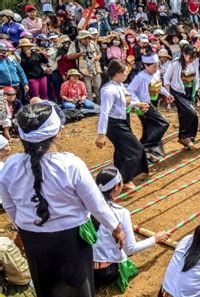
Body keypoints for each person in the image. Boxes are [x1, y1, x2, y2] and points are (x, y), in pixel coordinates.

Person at [0, 103, 126, 297]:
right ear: (57, 132)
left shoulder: (10, 166)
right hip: (71, 240)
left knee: (46, 288)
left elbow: (10, 206)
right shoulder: (70, 165)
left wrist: (25, 226)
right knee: (79, 289)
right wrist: (116, 227)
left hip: (34, 240)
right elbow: (96, 204)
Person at [93, 166, 170, 291]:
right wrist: (155, 239)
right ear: (117, 187)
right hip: (105, 274)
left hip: (83, 269)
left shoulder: (84, 206)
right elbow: (130, 249)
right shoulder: (121, 212)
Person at [96, 60, 150, 190]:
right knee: (136, 149)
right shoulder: (108, 90)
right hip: (114, 124)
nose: (127, 74)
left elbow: (122, 104)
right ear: (118, 73)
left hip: (122, 121)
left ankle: (119, 175)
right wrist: (101, 134)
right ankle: (124, 179)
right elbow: (104, 112)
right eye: (125, 72)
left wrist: (137, 105)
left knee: (121, 151)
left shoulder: (120, 86)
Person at [127, 52, 172, 160]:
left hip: (152, 103)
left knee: (148, 128)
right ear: (146, 66)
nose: (156, 68)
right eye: (154, 66)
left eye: (157, 65)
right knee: (163, 124)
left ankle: (144, 152)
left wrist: (167, 94)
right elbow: (130, 90)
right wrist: (138, 103)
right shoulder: (140, 77)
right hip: (144, 105)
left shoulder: (156, 73)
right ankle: (147, 147)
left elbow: (158, 86)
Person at [164, 44, 200, 149]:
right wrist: (168, 94)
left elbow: (196, 78)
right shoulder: (175, 63)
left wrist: (198, 89)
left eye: (194, 57)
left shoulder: (194, 63)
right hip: (178, 92)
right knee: (191, 112)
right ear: (184, 54)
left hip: (189, 91)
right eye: (190, 57)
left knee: (184, 114)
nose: (192, 59)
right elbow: (166, 78)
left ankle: (186, 136)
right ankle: (185, 136)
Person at [67, 30, 102, 102]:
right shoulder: (75, 44)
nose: (87, 40)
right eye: (85, 38)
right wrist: (79, 54)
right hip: (84, 70)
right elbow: (69, 56)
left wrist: (96, 58)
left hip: (96, 68)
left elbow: (99, 54)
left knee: (98, 87)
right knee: (87, 89)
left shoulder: (93, 43)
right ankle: (91, 105)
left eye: (88, 38)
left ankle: (100, 103)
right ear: (80, 38)